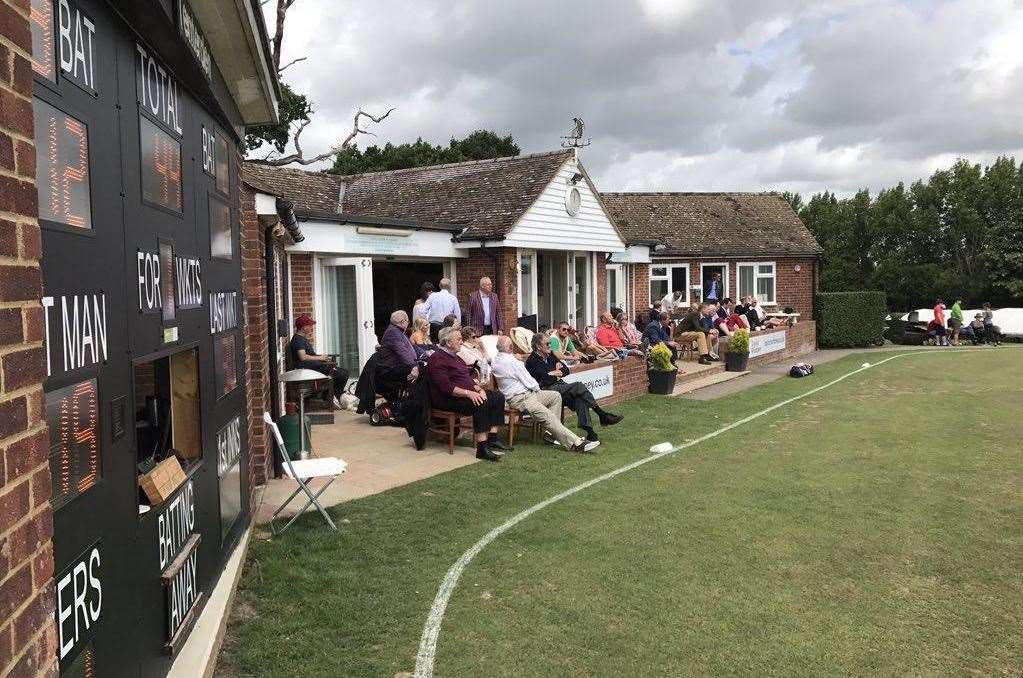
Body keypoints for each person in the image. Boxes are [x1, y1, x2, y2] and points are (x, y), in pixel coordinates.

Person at [491, 336, 598, 453]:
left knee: (555, 396)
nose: (549, 346)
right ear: (510, 348)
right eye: (511, 345)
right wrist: (538, 388)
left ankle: (550, 434)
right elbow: (530, 381)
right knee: (548, 416)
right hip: (521, 398)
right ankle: (576, 443)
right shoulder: (513, 362)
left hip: (525, 394)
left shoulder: (496, 359)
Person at [427, 326, 509, 461]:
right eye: (459, 339)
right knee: (479, 401)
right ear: (448, 343)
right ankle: (482, 448)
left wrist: (479, 389)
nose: (462, 342)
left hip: (462, 395)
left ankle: (492, 439)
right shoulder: (437, 359)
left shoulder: (456, 358)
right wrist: (469, 393)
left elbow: (467, 379)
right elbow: (446, 387)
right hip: (446, 399)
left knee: (497, 396)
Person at [525, 333, 622, 442]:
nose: (550, 346)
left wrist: (556, 373)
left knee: (579, 398)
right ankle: (602, 414)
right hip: (546, 390)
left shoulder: (550, 355)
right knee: (578, 386)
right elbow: (545, 379)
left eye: (550, 343)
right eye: (547, 344)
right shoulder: (532, 361)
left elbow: (566, 369)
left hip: (558, 385)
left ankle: (591, 433)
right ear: (538, 346)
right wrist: (554, 374)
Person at [288, 313, 349, 408]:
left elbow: (309, 355)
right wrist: (320, 358)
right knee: (342, 374)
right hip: (309, 371)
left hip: (314, 368)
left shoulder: (301, 339)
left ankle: (331, 397)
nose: (311, 327)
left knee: (343, 372)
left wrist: (322, 357)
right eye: (309, 325)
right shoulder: (298, 340)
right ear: (304, 327)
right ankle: (330, 397)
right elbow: (303, 357)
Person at [375, 310, 419, 398]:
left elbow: (410, 347)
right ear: (403, 322)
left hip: (395, 366)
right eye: (407, 321)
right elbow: (402, 351)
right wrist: (413, 365)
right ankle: (410, 401)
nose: (408, 323)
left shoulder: (398, 331)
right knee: (421, 373)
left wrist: (424, 353)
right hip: (389, 369)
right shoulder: (393, 332)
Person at [421, 278, 461, 343]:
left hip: (434, 326)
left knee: (435, 346)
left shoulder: (432, 296)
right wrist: (458, 327)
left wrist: (427, 321)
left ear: (439, 286)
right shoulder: (453, 298)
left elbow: (422, 310)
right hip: (448, 326)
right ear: (450, 286)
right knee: (447, 346)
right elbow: (457, 314)